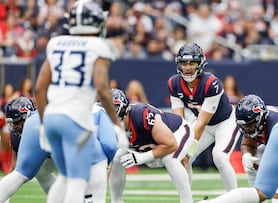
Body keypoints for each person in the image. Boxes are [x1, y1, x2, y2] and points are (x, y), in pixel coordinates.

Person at [34, 1, 128, 202]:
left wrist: (43, 124)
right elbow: (102, 88)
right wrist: (117, 125)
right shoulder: (99, 46)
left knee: (65, 177)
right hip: (75, 120)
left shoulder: (56, 43)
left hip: (51, 117)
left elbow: (40, 88)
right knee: (77, 181)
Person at [0, 96, 119, 203]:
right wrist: (105, 166)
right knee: (90, 172)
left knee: (23, 174)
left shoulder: (30, 122)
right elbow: (110, 145)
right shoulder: (101, 113)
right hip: (67, 132)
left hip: (38, 121)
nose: (15, 128)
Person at [167, 42, 240, 191]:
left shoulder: (210, 83)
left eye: (192, 63)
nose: (187, 67)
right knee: (180, 158)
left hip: (224, 122)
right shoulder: (174, 83)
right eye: (184, 63)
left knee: (219, 156)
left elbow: (201, 123)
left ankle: (234, 197)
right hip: (205, 125)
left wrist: (189, 152)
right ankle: (186, 200)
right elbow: (179, 123)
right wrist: (183, 152)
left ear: (200, 63)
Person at [108, 88, 194, 203]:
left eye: (112, 108)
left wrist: (141, 157)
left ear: (123, 108)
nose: (109, 112)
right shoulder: (107, 125)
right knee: (117, 158)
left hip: (177, 132)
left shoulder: (141, 115)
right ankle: (116, 201)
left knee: (170, 159)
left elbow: (171, 144)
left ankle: (187, 201)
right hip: (150, 145)